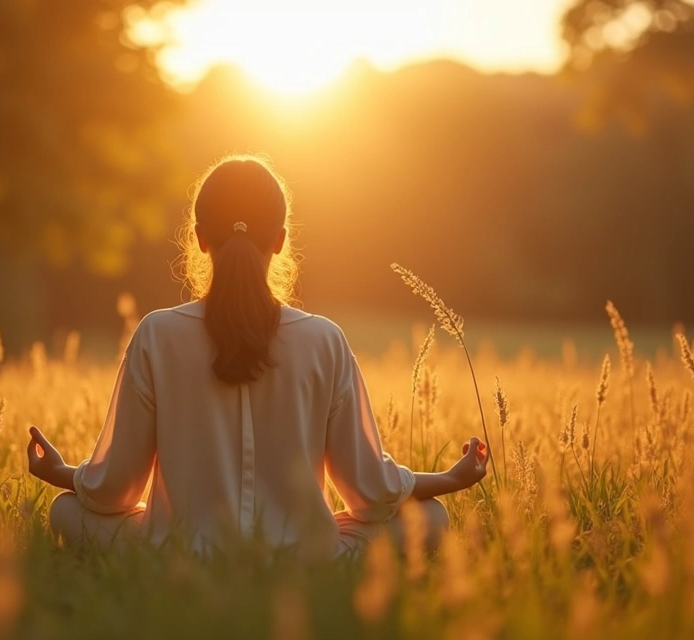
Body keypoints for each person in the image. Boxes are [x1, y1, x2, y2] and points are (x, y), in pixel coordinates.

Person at [26, 155, 489, 558]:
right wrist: (451, 479)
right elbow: (371, 492)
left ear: (200, 237)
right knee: (432, 518)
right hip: (305, 561)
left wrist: (60, 472)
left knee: (67, 510)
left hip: (181, 558)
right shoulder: (324, 339)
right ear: (281, 239)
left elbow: (113, 491)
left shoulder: (156, 334)